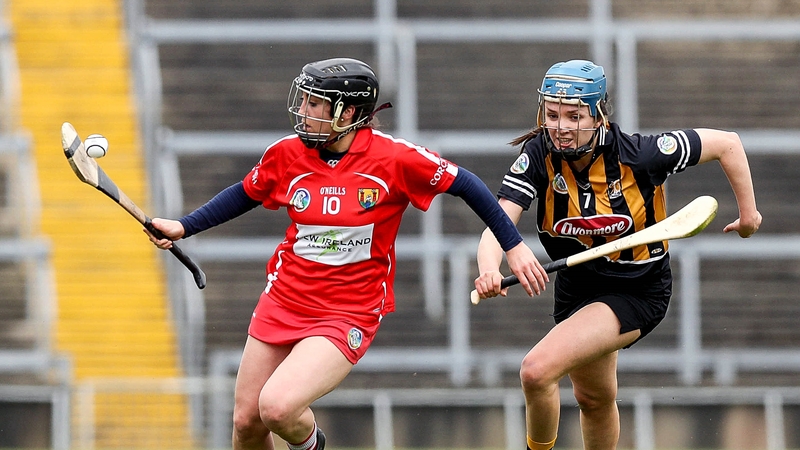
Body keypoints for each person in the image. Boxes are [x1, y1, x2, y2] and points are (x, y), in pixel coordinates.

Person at [146, 57, 545, 450]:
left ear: (346, 112)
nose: (303, 111)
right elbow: (245, 193)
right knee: (246, 421)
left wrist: (512, 246)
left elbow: (468, 184)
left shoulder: (395, 158)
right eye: (304, 101)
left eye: (314, 104)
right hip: (283, 299)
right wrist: (184, 226)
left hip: (347, 311)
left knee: (278, 408)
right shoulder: (287, 153)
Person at [474, 59, 761, 450]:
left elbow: (728, 143)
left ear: (598, 115)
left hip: (636, 289)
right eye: (553, 115)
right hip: (577, 289)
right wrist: (490, 266)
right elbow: (499, 223)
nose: (561, 127)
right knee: (593, 400)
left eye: (574, 116)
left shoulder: (640, 155)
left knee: (536, 371)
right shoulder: (539, 154)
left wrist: (748, 216)